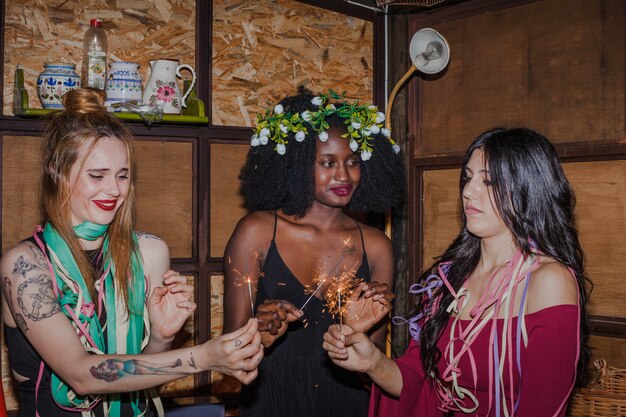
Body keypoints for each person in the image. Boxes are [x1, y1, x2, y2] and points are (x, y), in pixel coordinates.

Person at [0, 88, 263, 417]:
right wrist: (205, 357)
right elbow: (81, 374)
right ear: (57, 172)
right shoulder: (25, 266)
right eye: (97, 175)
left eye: (122, 176)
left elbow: (143, 378)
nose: (113, 190)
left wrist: (162, 336)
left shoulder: (149, 253)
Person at [323, 127, 591, 417]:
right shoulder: (449, 278)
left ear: (528, 188)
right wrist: (373, 362)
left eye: (488, 181)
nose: (467, 192)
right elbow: (419, 379)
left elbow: (543, 407)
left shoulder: (548, 280)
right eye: (468, 177)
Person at [223, 87, 405, 417]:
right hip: (272, 401)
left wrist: (358, 331)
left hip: (349, 403)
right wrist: (258, 335)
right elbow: (228, 359)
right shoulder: (257, 232)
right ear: (295, 165)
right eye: (327, 163)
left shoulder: (376, 246)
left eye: (353, 162)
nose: (343, 175)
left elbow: (374, 370)